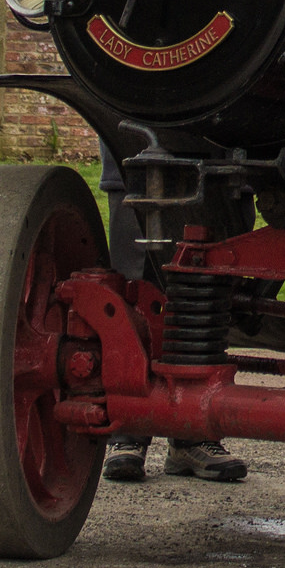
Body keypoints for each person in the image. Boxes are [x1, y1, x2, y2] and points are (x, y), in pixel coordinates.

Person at [98, 142, 248, 483]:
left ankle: (192, 435)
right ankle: (128, 430)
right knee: (134, 282)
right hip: (135, 150)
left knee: (209, 278)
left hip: (227, 153)